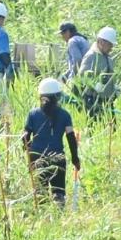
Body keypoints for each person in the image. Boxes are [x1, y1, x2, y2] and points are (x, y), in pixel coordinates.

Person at [22, 77, 82, 205]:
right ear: (58, 97)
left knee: (40, 193)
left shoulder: (33, 114)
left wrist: (29, 153)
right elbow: (71, 138)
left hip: (37, 157)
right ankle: (59, 218)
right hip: (57, 158)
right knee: (58, 193)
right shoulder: (65, 115)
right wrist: (75, 158)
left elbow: (25, 136)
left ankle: (43, 220)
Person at [76, 27, 119, 120]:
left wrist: (114, 88)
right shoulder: (91, 56)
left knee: (112, 129)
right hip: (93, 101)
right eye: (110, 44)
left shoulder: (108, 58)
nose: (111, 47)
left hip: (107, 101)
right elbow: (82, 77)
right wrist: (94, 85)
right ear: (101, 42)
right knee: (95, 127)